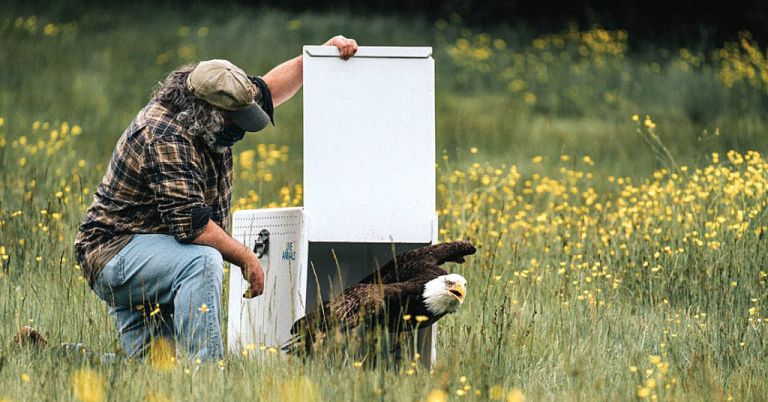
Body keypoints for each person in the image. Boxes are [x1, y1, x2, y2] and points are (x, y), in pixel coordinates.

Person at [74, 35, 359, 362]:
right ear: (205, 111)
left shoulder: (216, 99)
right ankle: (208, 377)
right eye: (234, 121)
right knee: (202, 261)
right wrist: (246, 257)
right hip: (116, 254)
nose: (241, 130)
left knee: (151, 370)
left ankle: (52, 354)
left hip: (159, 252)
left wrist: (318, 58)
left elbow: (269, 89)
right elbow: (192, 227)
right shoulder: (164, 135)